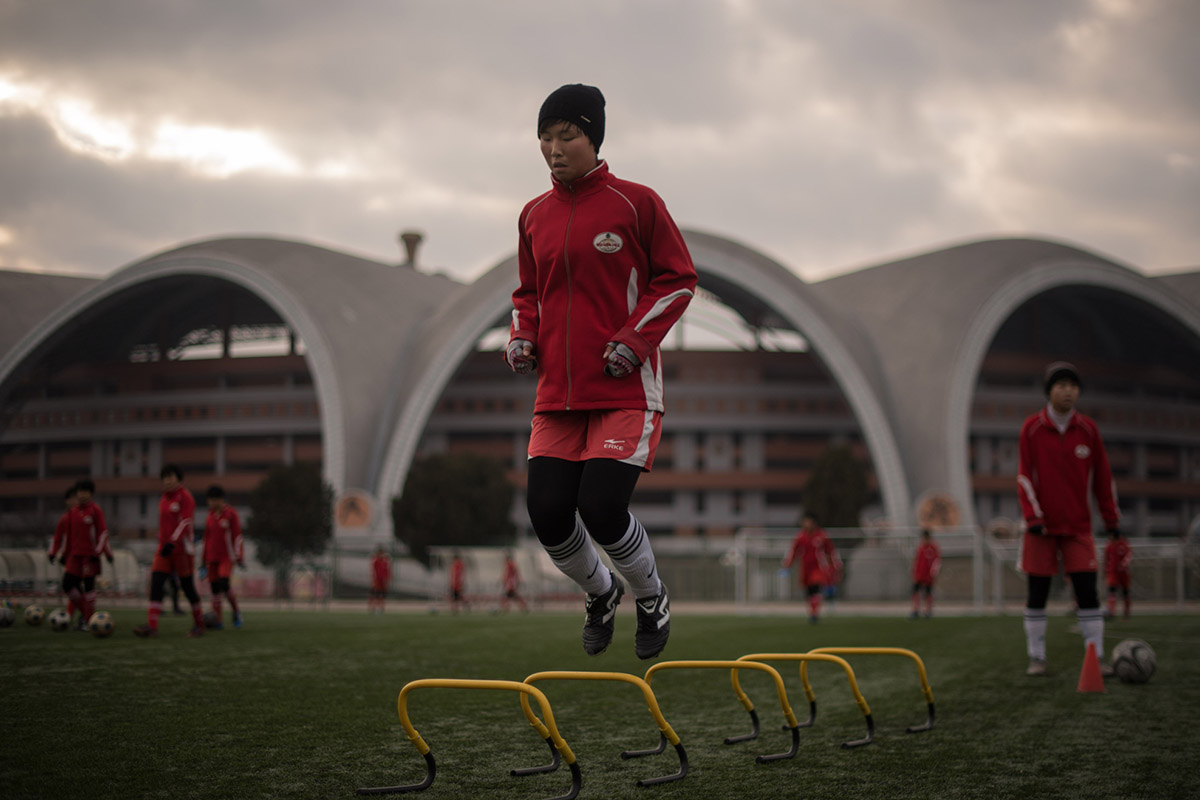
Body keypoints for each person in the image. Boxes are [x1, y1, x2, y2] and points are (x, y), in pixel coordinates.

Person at [505, 84, 696, 660]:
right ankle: (601, 591)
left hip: (623, 391)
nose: (553, 148)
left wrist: (633, 342)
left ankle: (652, 595)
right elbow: (528, 293)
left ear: (594, 138)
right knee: (546, 512)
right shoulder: (533, 215)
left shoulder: (636, 203)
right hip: (556, 398)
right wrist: (521, 336)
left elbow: (679, 279)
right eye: (545, 137)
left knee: (602, 507)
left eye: (567, 135)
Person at [1017, 362, 1120, 677]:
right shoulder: (1032, 428)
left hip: (1078, 528)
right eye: (1061, 385)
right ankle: (1037, 657)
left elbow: (1103, 479)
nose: (1067, 391)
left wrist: (1111, 520)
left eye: (1073, 386)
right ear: (1049, 391)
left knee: (1088, 592)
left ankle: (1097, 656)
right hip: (1041, 529)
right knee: (1038, 593)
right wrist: (1033, 517)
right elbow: (1023, 476)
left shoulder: (1088, 430)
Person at [134, 465, 204, 638]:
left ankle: (199, 625)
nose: (167, 480)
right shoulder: (163, 499)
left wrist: (172, 542)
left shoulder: (185, 497)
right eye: (164, 477)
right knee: (156, 583)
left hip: (182, 550)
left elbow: (186, 522)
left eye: (170, 477)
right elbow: (165, 525)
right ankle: (152, 627)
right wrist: (162, 540)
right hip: (164, 549)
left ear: (178, 479)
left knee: (188, 588)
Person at [53, 480, 112, 630]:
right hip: (74, 556)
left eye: (86, 492)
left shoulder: (95, 510)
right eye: (80, 492)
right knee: (67, 584)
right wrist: (63, 554)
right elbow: (68, 537)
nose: (83, 495)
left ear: (91, 494)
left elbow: (103, 533)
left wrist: (98, 552)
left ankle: (87, 620)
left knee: (89, 586)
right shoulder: (71, 513)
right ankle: (86, 613)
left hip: (89, 556)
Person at [782, 512, 842, 624]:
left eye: (807, 521)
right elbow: (793, 552)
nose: (805, 524)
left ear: (813, 523)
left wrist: (834, 566)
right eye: (804, 522)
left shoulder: (822, 536)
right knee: (808, 592)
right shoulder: (800, 537)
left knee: (816, 587)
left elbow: (830, 552)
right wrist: (787, 566)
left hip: (818, 568)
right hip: (805, 569)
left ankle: (815, 613)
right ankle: (814, 611)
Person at [201, 485, 244, 629]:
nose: (211, 503)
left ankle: (236, 611)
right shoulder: (209, 517)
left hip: (227, 558)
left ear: (220, 500)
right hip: (212, 559)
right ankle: (217, 620)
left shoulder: (231, 514)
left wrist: (239, 556)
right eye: (209, 501)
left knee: (224, 584)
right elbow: (206, 539)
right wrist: (203, 561)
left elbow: (238, 536)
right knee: (214, 589)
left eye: (214, 500)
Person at [47, 484, 79, 623]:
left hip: (84, 557)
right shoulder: (65, 519)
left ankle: (80, 615)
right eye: (71, 499)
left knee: (77, 587)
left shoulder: (86, 516)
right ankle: (77, 614)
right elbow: (57, 538)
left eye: (75, 499)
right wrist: (53, 553)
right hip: (70, 557)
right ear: (67, 501)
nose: (74, 501)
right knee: (73, 587)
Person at [909, 529, 941, 619]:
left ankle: (928, 611)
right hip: (919, 575)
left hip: (928, 576)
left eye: (926, 538)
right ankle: (915, 610)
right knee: (915, 592)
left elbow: (936, 562)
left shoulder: (933, 548)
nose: (924, 540)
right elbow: (917, 561)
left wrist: (933, 574)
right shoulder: (921, 547)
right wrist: (913, 571)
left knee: (927, 593)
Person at [1104, 528, 1133, 620]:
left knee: (1125, 592)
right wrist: (1105, 571)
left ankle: (1126, 612)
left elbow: (1129, 556)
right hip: (1113, 572)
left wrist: (1123, 565)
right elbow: (1106, 559)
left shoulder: (1124, 544)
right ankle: (1111, 612)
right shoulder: (1109, 545)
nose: (1110, 537)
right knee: (1112, 591)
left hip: (1123, 573)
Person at [369, 546, 391, 614]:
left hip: (383, 581)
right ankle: (374, 607)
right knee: (376, 594)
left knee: (383, 595)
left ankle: (381, 608)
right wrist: (373, 580)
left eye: (382, 553)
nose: (381, 555)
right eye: (380, 553)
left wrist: (387, 580)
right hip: (377, 581)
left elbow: (387, 571)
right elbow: (373, 571)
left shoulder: (385, 561)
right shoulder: (375, 560)